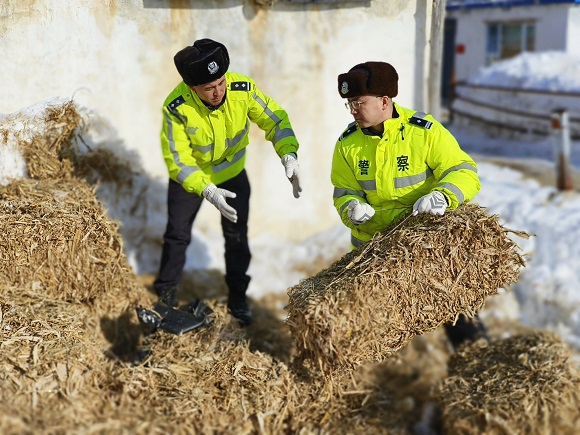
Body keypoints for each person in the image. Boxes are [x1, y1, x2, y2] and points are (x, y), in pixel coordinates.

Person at [331, 61, 487, 349]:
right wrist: (351, 206)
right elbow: (343, 191)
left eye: (358, 102)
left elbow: (464, 170)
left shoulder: (424, 132)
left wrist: (442, 195)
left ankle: (473, 356)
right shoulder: (347, 144)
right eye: (349, 103)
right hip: (375, 255)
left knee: (458, 318)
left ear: (384, 101)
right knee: (379, 332)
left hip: (425, 249)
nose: (353, 110)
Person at [154, 38, 302, 327]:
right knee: (177, 236)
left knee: (236, 238)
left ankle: (238, 299)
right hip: (192, 180)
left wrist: (289, 154)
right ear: (192, 87)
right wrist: (206, 189)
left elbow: (275, 119)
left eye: (220, 82)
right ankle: (165, 300)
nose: (218, 91)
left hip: (233, 175)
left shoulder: (241, 89)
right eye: (208, 88)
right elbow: (178, 158)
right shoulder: (177, 107)